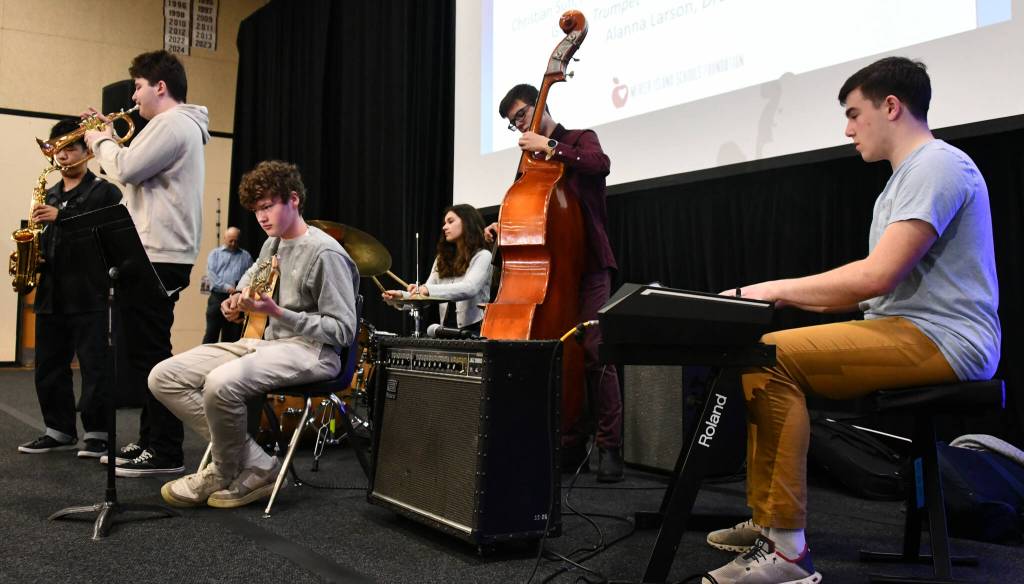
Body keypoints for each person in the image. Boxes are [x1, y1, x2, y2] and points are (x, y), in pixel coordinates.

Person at [702, 57, 1000, 584]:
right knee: (759, 350)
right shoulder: (900, 183)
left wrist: (771, 289)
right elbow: (869, 293)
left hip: (949, 339)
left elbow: (876, 277)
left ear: (891, 106)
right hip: (905, 329)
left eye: (853, 113)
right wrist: (781, 302)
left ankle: (787, 553)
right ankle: (771, 519)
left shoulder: (938, 165)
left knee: (770, 356)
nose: (847, 129)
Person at [148, 160, 359, 509]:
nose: (260, 217)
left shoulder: (326, 254)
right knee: (163, 377)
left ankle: (222, 469)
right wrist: (235, 303)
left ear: (293, 200)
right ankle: (258, 463)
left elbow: (342, 331)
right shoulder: (271, 244)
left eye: (267, 206)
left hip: (312, 352)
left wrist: (278, 313)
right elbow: (250, 286)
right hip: (261, 344)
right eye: (256, 209)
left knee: (219, 384)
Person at [486, 84, 623, 482]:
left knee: (597, 351)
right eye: (513, 122)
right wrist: (503, 225)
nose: (519, 123)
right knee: (557, 355)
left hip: (590, 264)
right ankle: (568, 440)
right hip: (551, 273)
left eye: (522, 114)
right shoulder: (527, 161)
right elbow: (526, 207)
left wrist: (551, 146)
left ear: (541, 104)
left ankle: (610, 445)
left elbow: (601, 164)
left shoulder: (579, 139)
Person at [83, 49, 210, 477]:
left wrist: (99, 141)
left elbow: (130, 168)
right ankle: (153, 441)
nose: (133, 97)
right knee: (145, 354)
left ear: (160, 86)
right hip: (155, 253)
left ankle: (165, 450)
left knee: (151, 355)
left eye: (138, 86)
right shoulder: (173, 126)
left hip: (158, 255)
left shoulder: (172, 122)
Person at [17, 119, 123, 458]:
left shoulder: (105, 191)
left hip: (89, 291)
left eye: (70, 149)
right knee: (48, 364)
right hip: (52, 291)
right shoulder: (48, 194)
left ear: (86, 153)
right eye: (58, 150)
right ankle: (58, 430)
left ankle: (97, 433)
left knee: (94, 365)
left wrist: (59, 217)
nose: (62, 157)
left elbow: (105, 235)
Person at [383, 204, 492, 333]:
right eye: (445, 223)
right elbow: (426, 296)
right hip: (445, 330)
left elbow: (469, 288)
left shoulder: (483, 255)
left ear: (467, 222)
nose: (444, 227)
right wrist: (401, 297)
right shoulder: (442, 258)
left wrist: (426, 289)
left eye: (450, 221)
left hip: (475, 329)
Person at [203, 227, 254, 343]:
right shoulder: (214, 254)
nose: (233, 243)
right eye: (230, 240)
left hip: (236, 299)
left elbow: (250, 275)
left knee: (232, 335)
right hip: (217, 297)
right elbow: (212, 276)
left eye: (236, 240)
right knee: (211, 333)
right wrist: (227, 288)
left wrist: (237, 291)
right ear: (224, 238)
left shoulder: (245, 256)